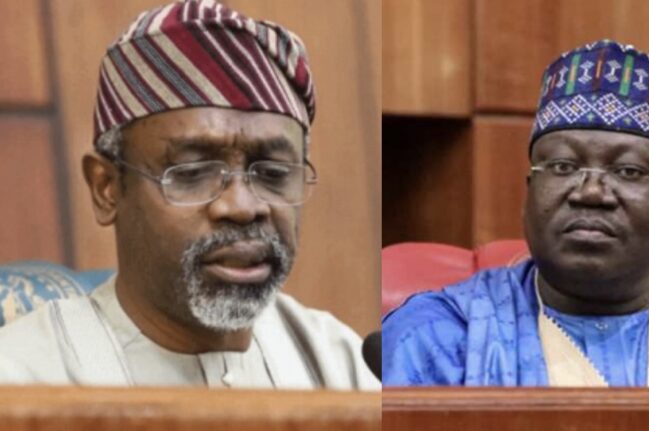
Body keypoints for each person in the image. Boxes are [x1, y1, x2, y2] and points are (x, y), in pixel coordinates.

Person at [0, 0, 379, 390]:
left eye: (273, 173)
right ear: (106, 188)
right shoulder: (22, 380)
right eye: (194, 173)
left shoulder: (343, 367)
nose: (243, 206)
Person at [382, 40, 649, 387]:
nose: (591, 192)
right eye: (564, 167)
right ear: (529, 193)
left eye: (628, 171)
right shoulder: (439, 338)